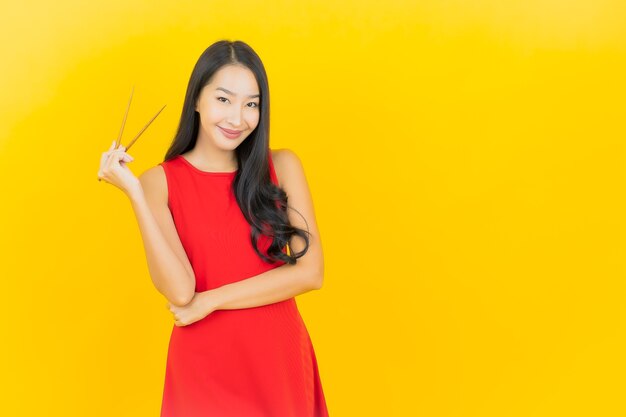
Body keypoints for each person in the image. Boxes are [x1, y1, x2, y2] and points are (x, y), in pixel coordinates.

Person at [97, 40, 329, 417]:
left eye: (251, 104)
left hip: (276, 361)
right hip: (202, 367)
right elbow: (181, 291)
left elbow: (311, 274)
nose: (238, 118)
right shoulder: (160, 182)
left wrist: (213, 300)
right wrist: (136, 195)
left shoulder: (283, 166)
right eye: (224, 99)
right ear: (197, 100)